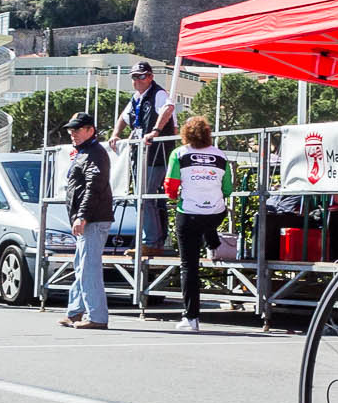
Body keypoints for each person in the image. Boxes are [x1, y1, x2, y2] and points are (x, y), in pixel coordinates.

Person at [162, 115, 234, 333]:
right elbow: (228, 189)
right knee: (209, 217)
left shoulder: (179, 154)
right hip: (215, 213)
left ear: (185, 133)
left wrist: (177, 195)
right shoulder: (220, 155)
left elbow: (170, 188)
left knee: (189, 267)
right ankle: (213, 245)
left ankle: (191, 318)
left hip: (190, 214)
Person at [60, 111, 114, 330]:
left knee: (88, 267)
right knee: (82, 265)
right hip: (91, 218)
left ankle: (97, 316)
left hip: (93, 219)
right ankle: (75, 312)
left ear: (90, 130)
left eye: (77, 129)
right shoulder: (86, 152)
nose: (72, 133)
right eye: (71, 130)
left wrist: (82, 215)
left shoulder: (94, 153)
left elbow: (94, 187)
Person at [117, 61, 176, 251]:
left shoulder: (158, 93)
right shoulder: (136, 98)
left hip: (156, 154)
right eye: (134, 77)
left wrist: (155, 132)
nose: (138, 80)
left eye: (142, 76)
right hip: (142, 155)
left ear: (150, 76)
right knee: (146, 196)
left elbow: (168, 110)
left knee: (145, 196)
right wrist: (115, 134)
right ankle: (153, 240)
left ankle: (152, 241)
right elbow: (124, 118)